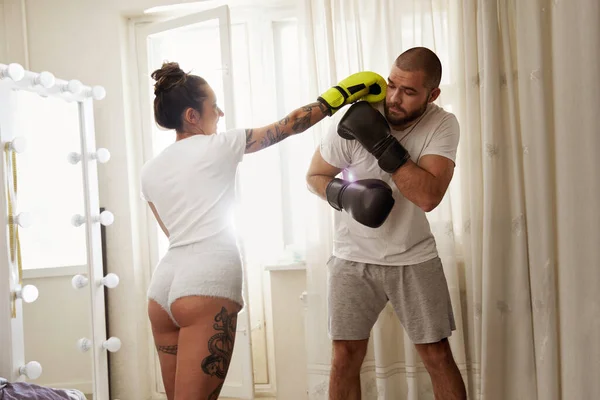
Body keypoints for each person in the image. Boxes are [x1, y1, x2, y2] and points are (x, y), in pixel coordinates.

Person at [140, 61, 387, 400]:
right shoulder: (220, 145)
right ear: (191, 116)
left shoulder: (150, 171)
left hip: (163, 287)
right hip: (206, 280)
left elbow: (172, 232)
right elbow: (288, 126)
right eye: (214, 106)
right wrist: (339, 96)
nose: (221, 113)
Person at [306, 47, 467, 400]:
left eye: (409, 92)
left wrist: (381, 144)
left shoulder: (442, 125)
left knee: (436, 355)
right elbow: (315, 175)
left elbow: (428, 196)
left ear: (432, 94)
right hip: (352, 258)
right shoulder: (354, 117)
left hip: (413, 256)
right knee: (345, 356)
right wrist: (344, 196)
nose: (394, 98)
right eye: (392, 85)